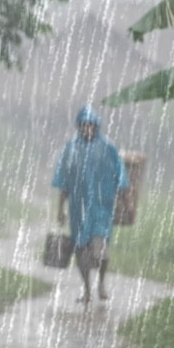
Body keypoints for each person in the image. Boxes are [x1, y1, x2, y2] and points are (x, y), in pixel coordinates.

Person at [53, 105, 129, 303]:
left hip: (102, 208)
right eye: (84, 125)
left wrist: (125, 202)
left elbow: (120, 177)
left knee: (100, 249)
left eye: (91, 125)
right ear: (79, 126)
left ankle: (101, 283)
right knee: (81, 250)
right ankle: (87, 289)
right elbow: (64, 182)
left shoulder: (108, 148)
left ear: (96, 126)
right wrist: (60, 209)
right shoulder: (71, 149)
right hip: (79, 209)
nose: (87, 129)